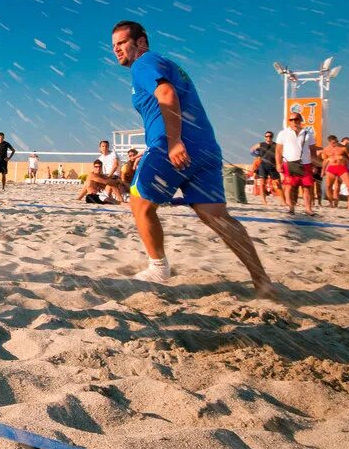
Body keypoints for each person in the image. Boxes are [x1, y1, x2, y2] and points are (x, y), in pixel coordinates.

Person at [111, 21, 272, 295]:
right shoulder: (168, 64)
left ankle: (158, 267)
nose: (117, 50)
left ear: (141, 42)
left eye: (122, 43)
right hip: (206, 148)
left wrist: (172, 143)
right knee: (216, 216)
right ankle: (262, 280)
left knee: (139, 204)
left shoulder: (144, 62)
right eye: (113, 46)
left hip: (172, 146)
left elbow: (165, 93)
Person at [276, 112, 318, 215]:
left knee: (307, 187)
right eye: (291, 120)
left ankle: (308, 209)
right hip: (289, 163)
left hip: (306, 164)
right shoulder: (283, 133)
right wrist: (278, 164)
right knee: (289, 187)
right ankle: (290, 208)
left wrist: (315, 164)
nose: (294, 121)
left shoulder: (308, 134)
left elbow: (313, 150)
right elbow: (278, 150)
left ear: (300, 120)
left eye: (296, 119)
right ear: (288, 121)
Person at [248, 131, 285, 206]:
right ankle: (264, 201)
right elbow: (251, 150)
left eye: (270, 136)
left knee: (278, 184)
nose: (268, 138)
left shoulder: (276, 145)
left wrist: (280, 162)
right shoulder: (261, 144)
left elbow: (281, 153)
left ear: (272, 137)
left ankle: (283, 201)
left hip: (273, 166)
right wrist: (256, 154)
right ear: (265, 137)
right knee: (262, 183)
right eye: (267, 136)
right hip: (263, 165)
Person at [322, 135, 349, 210]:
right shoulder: (326, 149)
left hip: (342, 168)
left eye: (337, 141)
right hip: (331, 168)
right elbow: (325, 160)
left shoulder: (343, 148)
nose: (336, 143)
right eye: (334, 142)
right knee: (328, 187)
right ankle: (331, 203)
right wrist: (323, 170)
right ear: (330, 142)